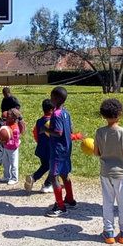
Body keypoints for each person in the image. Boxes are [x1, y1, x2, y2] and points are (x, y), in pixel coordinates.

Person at [93, 98, 123, 245]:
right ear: (120, 114)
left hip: (106, 172)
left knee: (107, 202)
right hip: (122, 173)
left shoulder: (99, 132)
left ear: (103, 115)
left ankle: (109, 232)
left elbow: (96, 152)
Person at [44, 86, 78, 217]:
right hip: (66, 149)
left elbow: (58, 132)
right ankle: (70, 199)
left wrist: (45, 130)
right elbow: (71, 130)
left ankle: (60, 206)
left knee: (53, 177)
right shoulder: (65, 113)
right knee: (64, 174)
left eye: (52, 97)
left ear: (57, 99)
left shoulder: (56, 114)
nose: (50, 99)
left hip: (58, 150)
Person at [25, 99, 57, 193]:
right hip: (50, 150)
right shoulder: (52, 122)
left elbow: (35, 133)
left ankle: (33, 177)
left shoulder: (39, 121)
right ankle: (47, 185)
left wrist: (39, 142)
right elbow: (57, 135)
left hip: (41, 149)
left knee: (45, 165)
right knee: (55, 167)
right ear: (51, 110)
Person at [0, 108, 22, 185]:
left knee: (13, 164)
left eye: (8, 116)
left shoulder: (15, 129)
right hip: (6, 147)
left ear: (13, 118)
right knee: (5, 162)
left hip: (12, 149)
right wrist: (1, 138)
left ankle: (14, 178)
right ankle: (6, 176)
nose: (6, 117)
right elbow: (2, 132)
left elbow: (15, 142)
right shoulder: (6, 124)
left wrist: (6, 142)